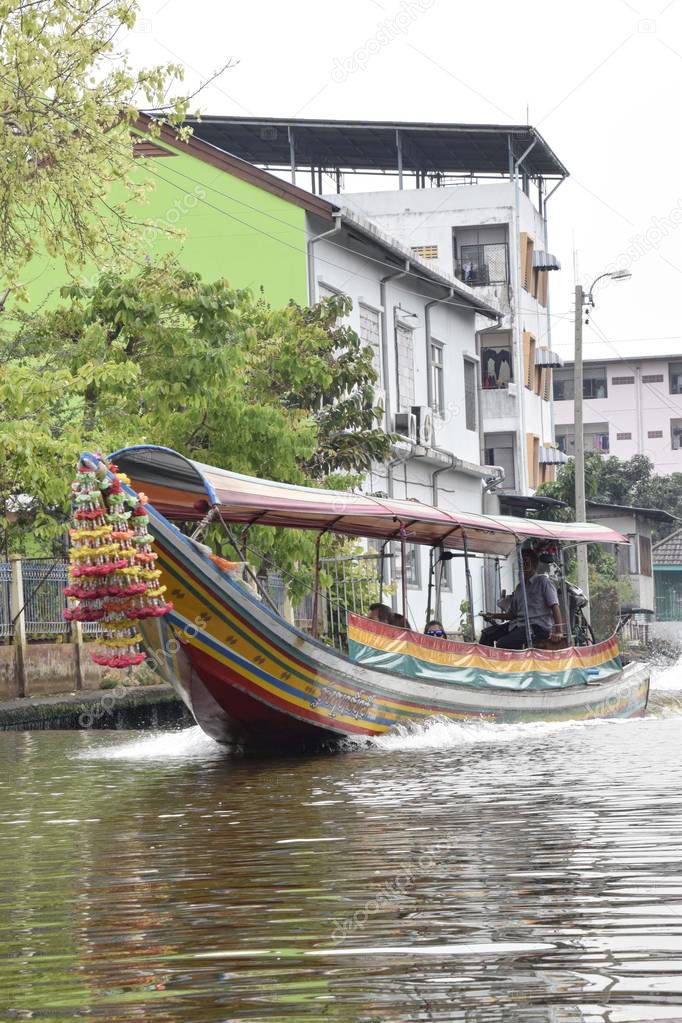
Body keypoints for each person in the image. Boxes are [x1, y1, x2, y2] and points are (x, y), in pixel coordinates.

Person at [479, 550, 563, 649]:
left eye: (526, 562)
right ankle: (486, 663)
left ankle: (511, 663)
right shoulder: (519, 588)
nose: (522, 565)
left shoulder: (543, 582)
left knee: (503, 643)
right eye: (521, 562)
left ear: (534, 564)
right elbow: (512, 615)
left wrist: (559, 631)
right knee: (486, 635)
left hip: (537, 628)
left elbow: (555, 606)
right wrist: (493, 615)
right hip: (518, 625)